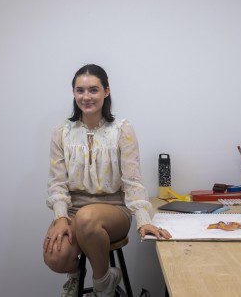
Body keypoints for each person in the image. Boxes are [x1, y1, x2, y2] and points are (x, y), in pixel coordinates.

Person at [43, 64, 171, 297]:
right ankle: (87, 275)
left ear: (106, 92)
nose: (86, 97)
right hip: (74, 210)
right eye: (80, 90)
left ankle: (102, 285)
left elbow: (132, 181)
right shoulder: (61, 132)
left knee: (87, 217)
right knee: (55, 255)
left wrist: (143, 220)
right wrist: (60, 217)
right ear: (73, 93)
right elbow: (57, 182)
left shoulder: (122, 130)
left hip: (114, 210)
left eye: (93, 90)